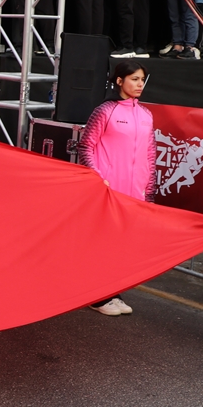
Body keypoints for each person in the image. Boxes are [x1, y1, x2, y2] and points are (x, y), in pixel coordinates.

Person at [77, 60, 156, 316]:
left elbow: (150, 154)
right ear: (119, 81)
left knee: (123, 244)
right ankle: (97, 296)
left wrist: (149, 189)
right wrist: (98, 178)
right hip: (108, 190)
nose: (139, 84)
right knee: (103, 242)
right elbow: (85, 146)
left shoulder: (146, 115)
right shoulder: (105, 111)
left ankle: (114, 292)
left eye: (142, 80)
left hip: (135, 192)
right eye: (134, 79)